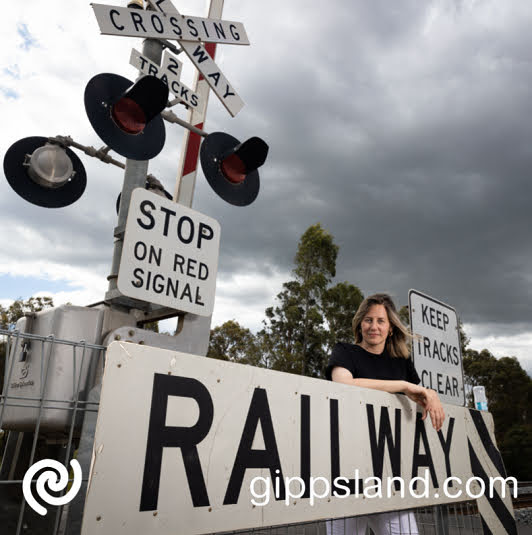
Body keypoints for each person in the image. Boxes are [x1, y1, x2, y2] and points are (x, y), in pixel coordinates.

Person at [325, 293, 445, 535]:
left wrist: (429, 392)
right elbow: (344, 384)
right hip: (347, 472)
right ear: (360, 323)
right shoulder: (345, 352)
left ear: (390, 328)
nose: (373, 326)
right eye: (368, 320)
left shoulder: (402, 363)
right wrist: (403, 385)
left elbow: (418, 400)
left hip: (391, 474)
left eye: (381, 321)